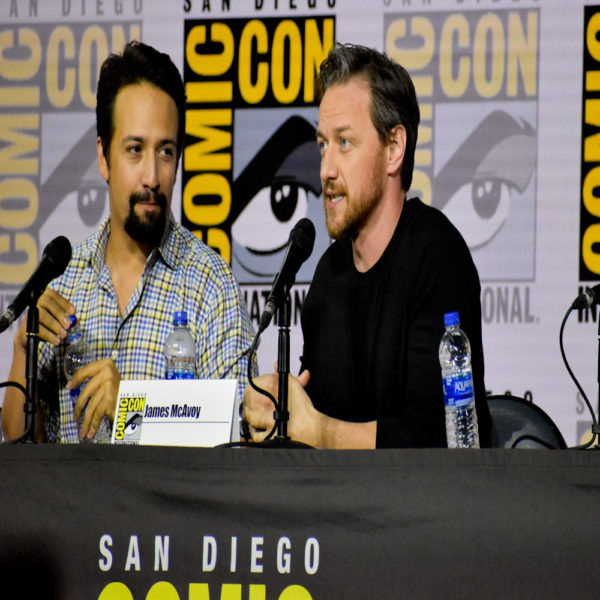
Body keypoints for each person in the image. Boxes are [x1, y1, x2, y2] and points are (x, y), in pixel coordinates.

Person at [2, 41, 254, 443]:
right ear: (104, 157)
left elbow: (239, 438)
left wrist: (132, 410)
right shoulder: (64, 283)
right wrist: (22, 351)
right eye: (135, 150)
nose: (152, 176)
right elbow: (20, 447)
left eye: (165, 152)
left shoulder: (211, 285)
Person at [242, 43, 491, 448]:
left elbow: (438, 440)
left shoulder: (437, 255)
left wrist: (320, 432)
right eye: (322, 145)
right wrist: (281, 410)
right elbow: (313, 419)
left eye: (344, 143)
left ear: (394, 149)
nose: (325, 169)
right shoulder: (329, 273)